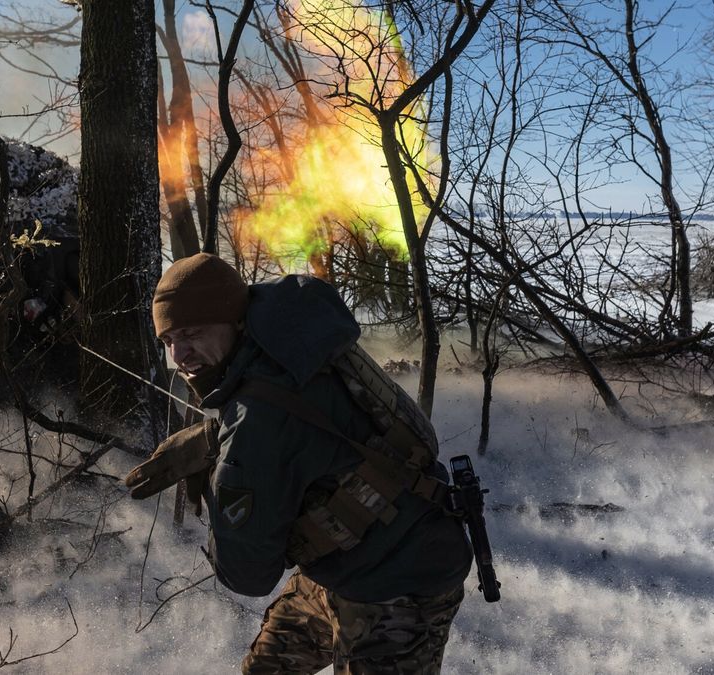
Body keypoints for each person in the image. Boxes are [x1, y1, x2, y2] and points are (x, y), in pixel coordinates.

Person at [125, 253, 473, 675]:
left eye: (193, 333)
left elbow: (249, 576)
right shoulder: (291, 344)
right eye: (169, 340)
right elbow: (306, 427)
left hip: (401, 587)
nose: (180, 353)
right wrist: (210, 438)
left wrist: (220, 486)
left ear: (234, 320)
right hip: (355, 560)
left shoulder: (254, 429)